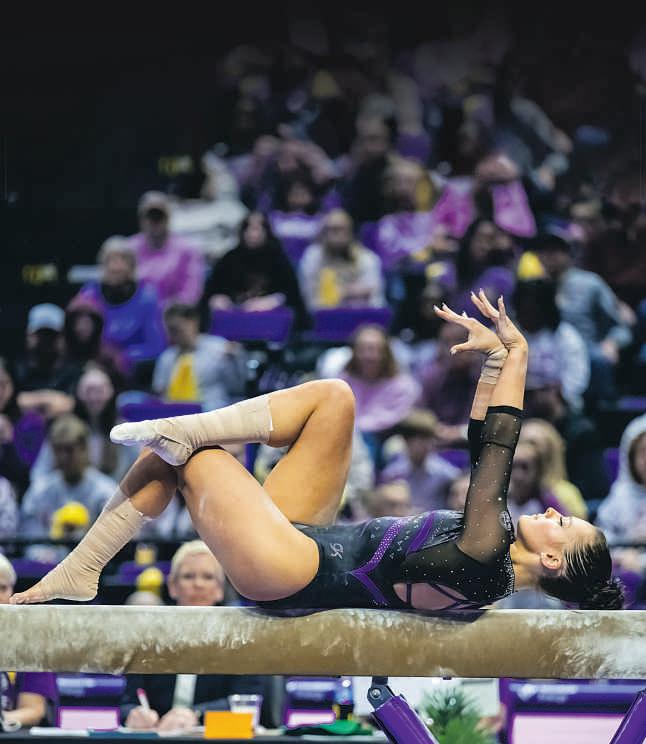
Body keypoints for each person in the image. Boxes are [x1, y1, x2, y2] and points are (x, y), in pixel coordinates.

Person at [11, 292, 623, 612]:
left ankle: (86, 564)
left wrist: (517, 358)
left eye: (565, 525)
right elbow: (481, 441)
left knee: (193, 459)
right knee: (335, 398)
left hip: (294, 573)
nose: (554, 513)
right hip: (306, 541)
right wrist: (493, 364)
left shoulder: (488, 557)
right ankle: (188, 429)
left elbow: (496, 449)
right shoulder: (490, 553)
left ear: (552, 560)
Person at [121, 541, 268, 732]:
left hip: (217, 735)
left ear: (220, 589)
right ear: (173, 586)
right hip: (159, 735)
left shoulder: (241, 638)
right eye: (188, 576)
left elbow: (246, 703)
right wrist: (134, 714)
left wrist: (196, 715)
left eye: (208, 577)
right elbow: (128, 703)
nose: (198, 584)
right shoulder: (149, 637)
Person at [78, 237, 167, 375]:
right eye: (109, 260)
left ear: (132, 267)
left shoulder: (147, 296)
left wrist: (123, 357)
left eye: (122, 260)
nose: (115, 267)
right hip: (94, 366)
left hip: (134, 370)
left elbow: (156, 346)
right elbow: (77, 338)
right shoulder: (89, 294)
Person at [20, 414, 117, 538]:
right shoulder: (40, 491)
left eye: (69, 450)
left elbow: (112, 537)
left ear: (84, 448)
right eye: (58, 450)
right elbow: (29, 536)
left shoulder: (105, 492)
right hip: (48, 550)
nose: (63, 457)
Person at [153, 304, 247, 411]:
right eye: (170, 330)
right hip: (175, 411)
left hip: (210, 409)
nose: (173, 335)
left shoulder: (220, 348)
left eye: (177, 329)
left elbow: (237, 387)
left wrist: (236, 360)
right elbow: (160, 392)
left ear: (193, 322)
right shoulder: (166, 357)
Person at [0, 555, 58, 728]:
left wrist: (2, 721)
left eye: (2, 588)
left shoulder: (29, 640)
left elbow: (34, 710)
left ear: (12, 591)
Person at [129, 191, 205, 307]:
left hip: (172, 313)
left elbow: (191, 293)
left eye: (159, 216)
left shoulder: (187, 250)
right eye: (150, 216)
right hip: (135, 312)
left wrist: (165, 309)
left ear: (168, 218)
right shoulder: (129, 248)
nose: (154, 221)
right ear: (141, 219)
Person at [299, 209, 385, 310]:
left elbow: (376, 299)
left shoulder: (367, 258)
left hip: (360, 314)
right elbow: (308, 297)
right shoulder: (312, 256)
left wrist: (342, 293)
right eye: (328, 230)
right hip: (324, 313)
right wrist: (346, 293)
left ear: (350, 231)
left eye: (338, 229)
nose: (333, 234)